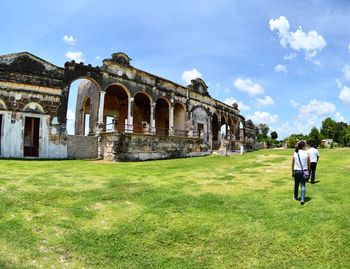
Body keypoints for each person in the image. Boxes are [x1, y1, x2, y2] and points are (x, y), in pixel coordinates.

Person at [292, 141, 310, 205]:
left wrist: (292, 172)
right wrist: (308, 171)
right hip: (304, 171)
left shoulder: (295, 153)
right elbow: (309, 163)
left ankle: (295, 197)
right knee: (303, 185)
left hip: (296, 171)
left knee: (296, 185)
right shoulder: (306, 153)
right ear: (303, 146)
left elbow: (293, 163)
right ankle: (302, 199)